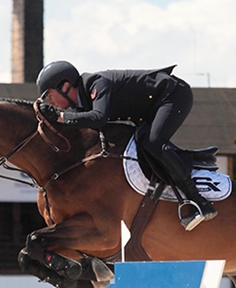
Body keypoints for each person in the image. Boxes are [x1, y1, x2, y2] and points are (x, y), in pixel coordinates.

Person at [36, 60, 217, 231]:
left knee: (153, 143)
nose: (51, 103)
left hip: (172, 95)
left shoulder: (97, 84)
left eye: (50, 96)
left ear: (66, 86)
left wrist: (61, 118)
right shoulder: (80, 105)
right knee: (143, 146)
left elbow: (98, 118)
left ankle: (199, 201)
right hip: (151, 109)